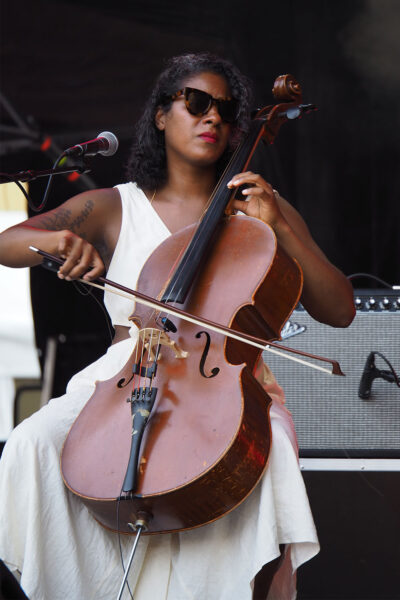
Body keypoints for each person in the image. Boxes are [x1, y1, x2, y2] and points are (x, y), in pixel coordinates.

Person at [0, 52, 355, 600]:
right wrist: (52, 240)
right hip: (122, 381)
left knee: (274, 451)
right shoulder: (114, 207)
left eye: (226, 109)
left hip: (228, 387)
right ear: (162, 115)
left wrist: (281, 224)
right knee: (31, 444)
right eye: (196, 102)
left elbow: (340, 309)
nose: (212, 116)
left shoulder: (259, 210)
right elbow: (8, 242)